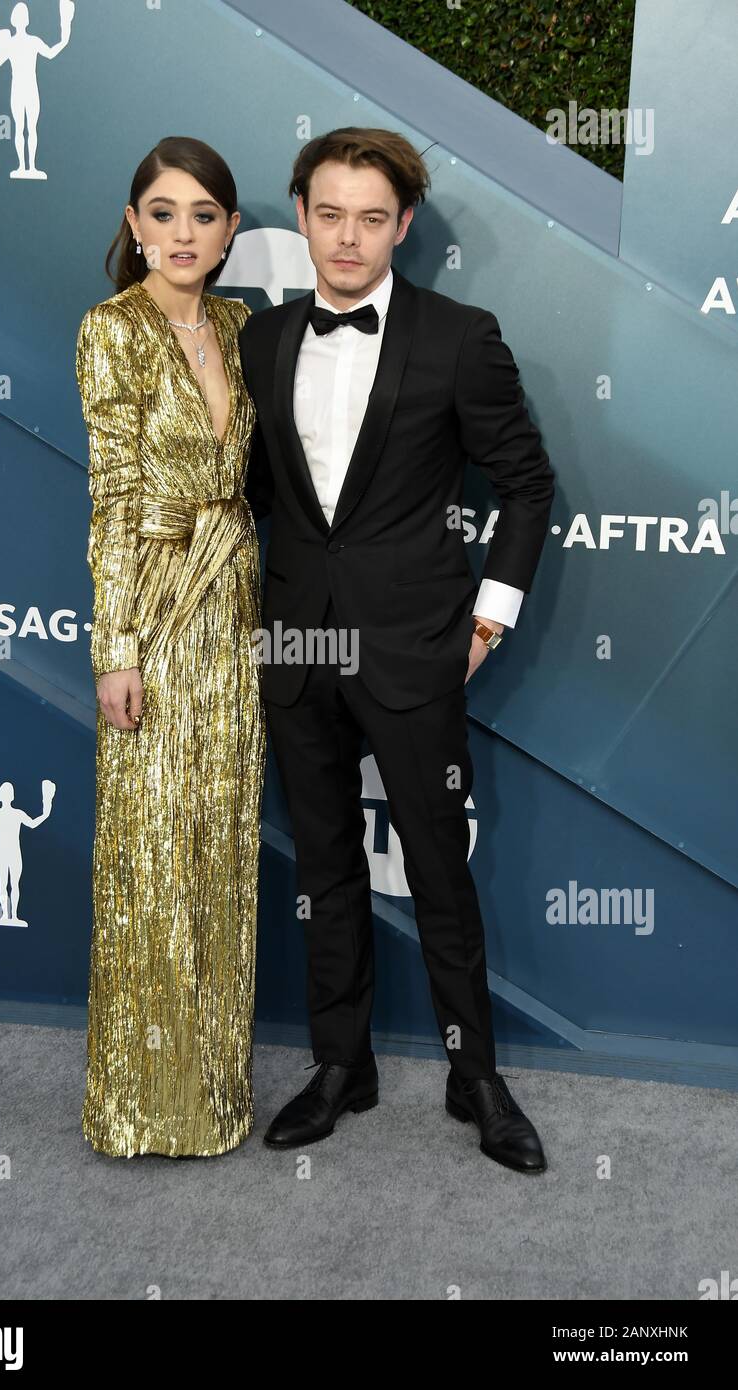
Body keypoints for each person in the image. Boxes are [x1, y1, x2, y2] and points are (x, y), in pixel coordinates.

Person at [239, 127, 555, 1173]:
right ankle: (342, 1066)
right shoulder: (260, 340)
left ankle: (475, 1079)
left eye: (370, 217)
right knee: (324, 867)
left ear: (402, 226)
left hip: (414, 645)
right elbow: (251, 499)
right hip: (295, 639)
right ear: (300, 213)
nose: (346, 235)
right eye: (328, 212)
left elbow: (524, 483)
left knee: (436, 871)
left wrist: (488, 616)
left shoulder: (459, 337)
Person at [75, 137, 265, 1157]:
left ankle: (211, 1092)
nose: (181, 232)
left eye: (202, 213)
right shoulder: (111, 330)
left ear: (230, 230)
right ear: (133, 223)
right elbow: (109, 497)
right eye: (161, 211)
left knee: (217, 845)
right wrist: (116, 646)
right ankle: (139, 1104)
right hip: (152, 601)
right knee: (148, 853)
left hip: (234, 601)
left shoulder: (240, 326)